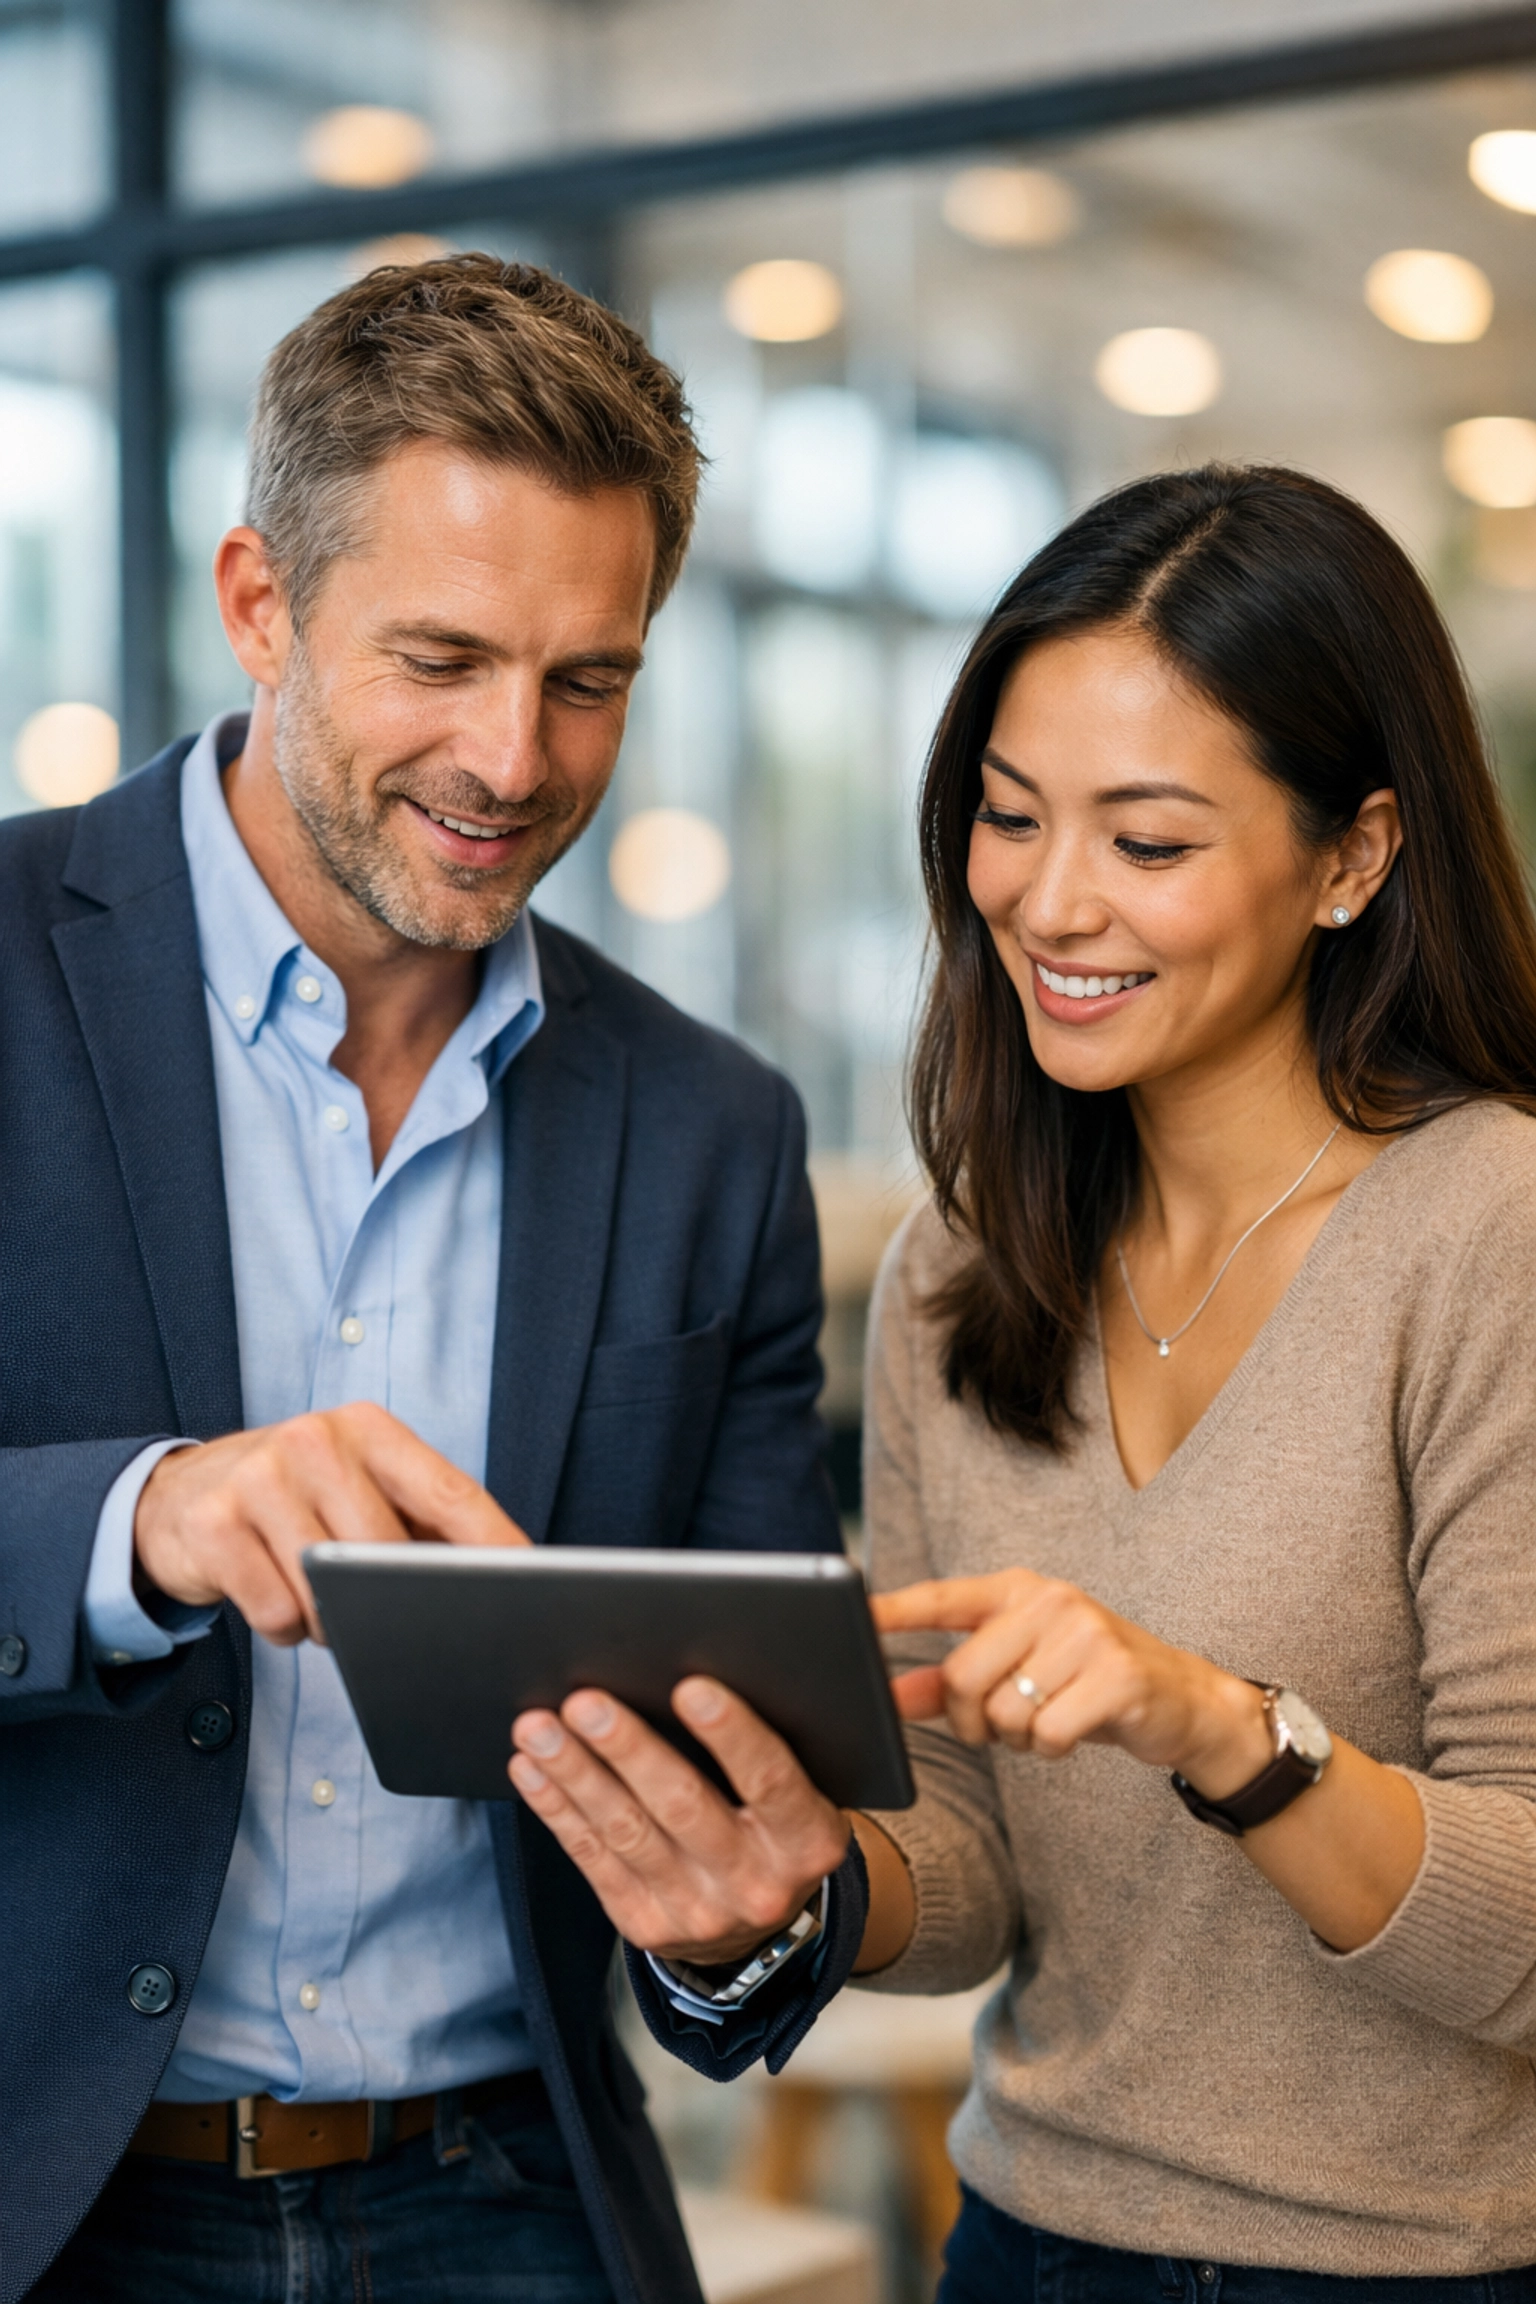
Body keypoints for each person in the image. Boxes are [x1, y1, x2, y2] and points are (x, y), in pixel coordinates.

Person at [514, 465, 1536, 2299]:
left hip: (1419, 2269)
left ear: (1355, 858)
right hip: (1028, 2243)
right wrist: (807, 1879)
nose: (1053, 904)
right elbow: (971, 1868)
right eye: (1007, 818)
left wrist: (1221, 1728)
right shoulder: (960, 1275)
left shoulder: (1492, 1231)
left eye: (1147, 844)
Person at [0, 254, 859, 2304]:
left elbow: (753, 1794)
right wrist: (145, 1517)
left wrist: (738, 1924)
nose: (515, 758)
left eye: (591, 679)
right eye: (444, 658)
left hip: (513, 2201)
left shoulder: (711, 1128)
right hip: (49, 2201)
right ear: (259, 604)